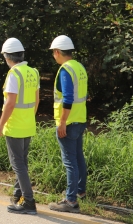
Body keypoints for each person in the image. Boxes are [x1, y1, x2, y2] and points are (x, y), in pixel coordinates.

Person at [0, 38, 39, 215]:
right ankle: (18, 195)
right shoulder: (33, 72)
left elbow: (10, 103)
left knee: (18, 164)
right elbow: (36, 100)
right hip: (28, 124)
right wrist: (28, 117)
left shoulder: (14, 73)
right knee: (22, 163)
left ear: (7, 57)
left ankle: (28, 201)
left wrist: (0, 125)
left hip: (14, 126)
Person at [48, 35, 88, 214]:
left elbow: (68, 98)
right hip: (80, 120)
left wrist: (62, 122)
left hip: (69, 122)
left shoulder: (65, 70)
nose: (53, 56)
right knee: (79, 157)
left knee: (70, 162)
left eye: (53, 53)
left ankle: (70, 201)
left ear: (57, 52)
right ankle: (80, 191)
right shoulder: (79, 67)